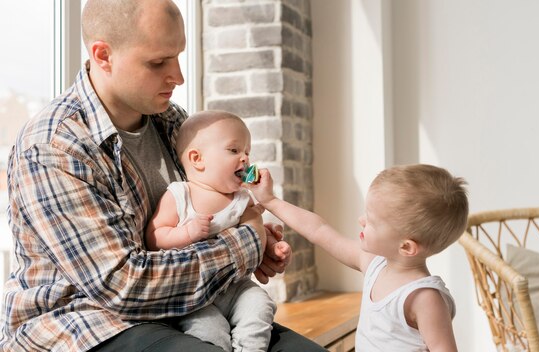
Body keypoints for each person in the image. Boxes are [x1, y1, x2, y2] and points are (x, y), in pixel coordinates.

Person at [0, 0, 324, 351]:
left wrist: (256, 243)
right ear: (103, 55)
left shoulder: (172, 122)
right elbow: (124, 286)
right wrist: (246, 241)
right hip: (86, 323)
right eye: (158, 62)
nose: (178, 76)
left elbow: (207, 217)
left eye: (178, 56)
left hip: (187, 307)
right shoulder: (53, 146)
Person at [248, 164, 469, 352]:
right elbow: (319, 230)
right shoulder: (374, 264)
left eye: (372, 221)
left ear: (406, 246)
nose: (361, 220)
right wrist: (269, 200)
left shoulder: (424, 298)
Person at [145, 110, 287, 352]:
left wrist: (273, 245)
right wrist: (186, 234)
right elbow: (154, 236)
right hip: (194, 296)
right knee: (208, 329)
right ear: (197, 159)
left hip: (235, 286)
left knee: (260, 303)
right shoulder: (180, 195)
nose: (244, 159)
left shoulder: (242, 199)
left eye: (247, 152)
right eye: (234, 150)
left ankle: (250, 349)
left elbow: (255, 233)